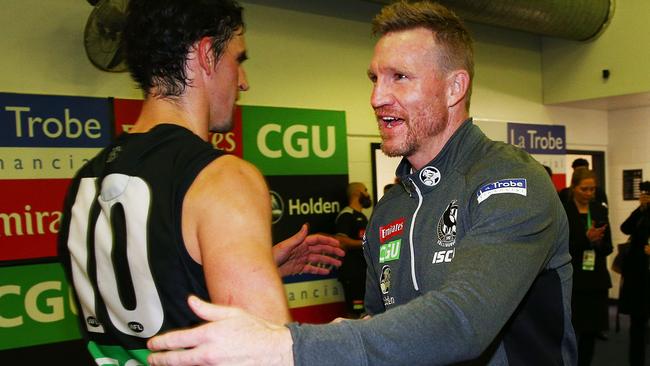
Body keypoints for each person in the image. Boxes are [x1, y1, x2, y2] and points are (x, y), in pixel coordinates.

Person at [146, 2, 576, 365]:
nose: (376, 98)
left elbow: (463, 321)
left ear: (454, 88)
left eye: (400, 77)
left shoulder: (508, 182)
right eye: (374, 78)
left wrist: (289, 347)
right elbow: (383, 329)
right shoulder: (390, 209)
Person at [57, 0, 343, 364]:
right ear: (207, 54)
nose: (244, 82)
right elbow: (264, 359)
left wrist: (254, 266)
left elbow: (152, 296)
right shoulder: (223, 178)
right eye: (238, 60)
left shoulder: (86, 182)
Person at [562, 168, 612, 366]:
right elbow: (562, 248)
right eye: (585, 189)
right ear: (574, 188)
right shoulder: (564, 211)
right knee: (571, 330)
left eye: (592, 189)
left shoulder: (600, 210)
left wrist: (598, 243)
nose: (589, 193)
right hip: (573, 280)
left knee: (591, 332)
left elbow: (608, 247)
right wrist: (586, 239)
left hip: (595, 279)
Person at [619, 181, 650, 366]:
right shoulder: (641, 213)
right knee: (637, 324)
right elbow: (625, 228)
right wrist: (640, 209)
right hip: (639, 277)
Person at [335, 182, 371, 317]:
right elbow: (341, 241)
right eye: (365, 190)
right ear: (357, 192)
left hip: (363, 272)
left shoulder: (363, 216)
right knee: (355, 311)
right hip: (352, 272)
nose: (368, 194)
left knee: (363, 310)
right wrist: (365, 243)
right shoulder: (346, 215)